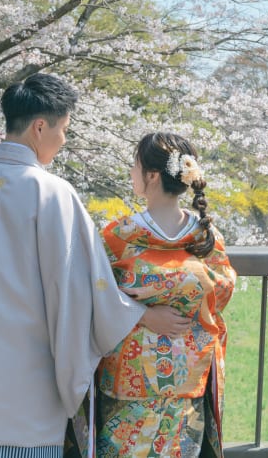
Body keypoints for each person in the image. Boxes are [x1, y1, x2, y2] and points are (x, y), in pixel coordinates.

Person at [0, 74, 190, 458]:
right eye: (63, 129)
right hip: (27, 376)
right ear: (39, 127)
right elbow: (86, 285)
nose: (63, 140)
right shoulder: (53, 192)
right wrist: (142, 315)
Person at [93, 132, 237, 458]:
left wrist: (141, 307)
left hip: (149, 379)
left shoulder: (118, 237)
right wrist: (165, 304)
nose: (132, 172)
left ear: (152, 176)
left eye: (136, 165)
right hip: (165, 379)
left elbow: (99, 296)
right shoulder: (205, 237)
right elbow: (221, 290)